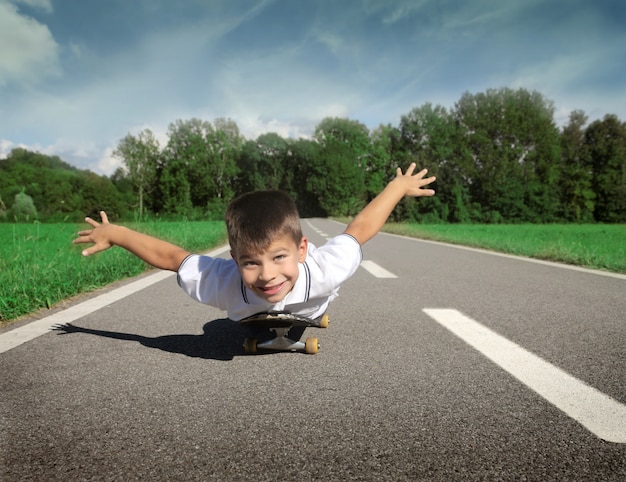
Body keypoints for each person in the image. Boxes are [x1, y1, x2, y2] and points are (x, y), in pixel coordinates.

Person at [74, 163, 435, 321]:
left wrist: (397, 187)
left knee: (317, 305)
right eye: (250, 262)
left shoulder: (324, 269)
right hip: (247, 315)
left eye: (280, 257)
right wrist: (117, 234)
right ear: (233, 259)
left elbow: (359, 229)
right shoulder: (223, 282)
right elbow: (172, 257)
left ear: (303, 250)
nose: (267, 275)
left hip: (312, 307)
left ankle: (317, 313)